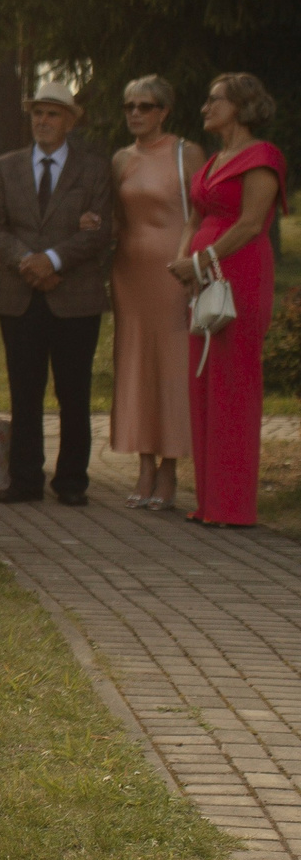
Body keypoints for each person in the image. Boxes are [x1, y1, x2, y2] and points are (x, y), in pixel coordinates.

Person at [0, 81, 116, 507]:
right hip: (19, 294)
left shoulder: (93, 169)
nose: (43, 120)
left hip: (75, 294)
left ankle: (72, 481)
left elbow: (100, 232)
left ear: (69, 121)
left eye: (53, 113)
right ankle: (24, 480)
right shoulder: (5, 167)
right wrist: (29, 262)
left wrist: (52, 261)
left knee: (74, 391)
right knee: (25, 389)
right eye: (38, 112)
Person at [172, 74, 286, 530]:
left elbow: (251, 224)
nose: (205, 107)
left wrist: (201, 261)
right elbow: (194, 218)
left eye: (214, 100)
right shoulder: (214, 160)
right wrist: (183, 261)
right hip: (202, 275)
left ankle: (234, 506)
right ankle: (208, 501)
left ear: (240, 106)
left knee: (234, 384)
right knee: (203, 384)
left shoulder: (262, 156)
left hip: (238, 272)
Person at [111, 77, 198, 511]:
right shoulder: (121, 158)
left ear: (164, 111)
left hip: (173, 271)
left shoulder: (187, 152)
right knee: (135, 364)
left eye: (145, 106)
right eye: (129, 106)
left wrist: (191, 263)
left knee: (171, 367)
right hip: (128, 273)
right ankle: (143, 465)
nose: (135, 113)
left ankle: (169, 470)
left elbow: (201, 213)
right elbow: (114, 216)